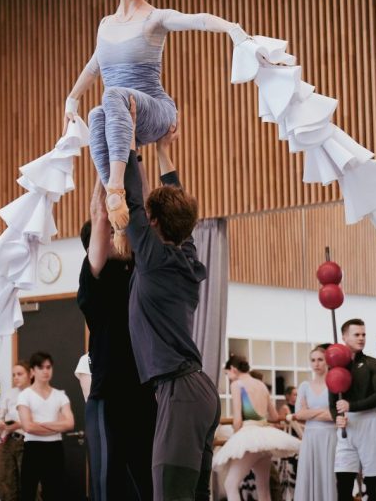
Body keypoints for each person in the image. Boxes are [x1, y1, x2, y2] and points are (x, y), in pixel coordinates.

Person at [62, 0, 250, 252]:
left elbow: (198, 19)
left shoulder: (155, 18)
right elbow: (95, 64)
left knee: (112, 97)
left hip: (157, 111)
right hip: (122, 114)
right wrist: (72, 100)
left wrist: (232, 29)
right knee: (97, 115)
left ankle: (115, 190)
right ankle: (118, 209)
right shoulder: (106, 25)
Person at [77, 116, 179, 500]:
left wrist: (132, 153)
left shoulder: (142, 268)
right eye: (112, 234)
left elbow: (142, 209)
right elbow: (101, 213)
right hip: (107, 398)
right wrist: (107, 157)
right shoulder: (96, 277)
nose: (122, 233)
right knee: (108, 489)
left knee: (148, 488)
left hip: (143, 395)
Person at [121, 108, 220, 501]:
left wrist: (129, 140)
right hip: (197, 391)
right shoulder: (186, 257)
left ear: (154, 222)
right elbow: (170, 209)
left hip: (181, 391)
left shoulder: (155, 258)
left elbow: (131, 200)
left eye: (149, 217)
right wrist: (162, 152)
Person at [213, 355, 300, 501]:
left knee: (230, 484)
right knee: (263, 488)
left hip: (249, 436)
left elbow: (238, 420)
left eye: (227, 374)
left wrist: (236, 435)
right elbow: (273, 416)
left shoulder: (237, 385)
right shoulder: (261, 385)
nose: (229, 378)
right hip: (264, 438)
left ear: (233, 369)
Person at [330, 319, 376, 501]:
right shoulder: (335, 368)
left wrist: (352, 406)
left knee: (373, 486)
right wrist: (337, 417)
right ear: (344, 337)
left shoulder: (374, 364)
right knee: (343, 483)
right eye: (356, 334)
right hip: (347, 427)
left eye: (363, 334)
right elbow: (333, 401)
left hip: (370, 424)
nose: (361, 338)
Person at [17, 351, 75, 501]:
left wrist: (41, 424)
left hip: (55, 449)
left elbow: (69, 423)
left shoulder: (60, 395)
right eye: (41, 367)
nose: (45, 371)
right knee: (28, 493)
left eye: (48, 367)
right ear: (32, 371)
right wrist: (57, 424)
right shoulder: (25, 395)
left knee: (54, 493)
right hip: (33, 448)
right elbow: (28, 427)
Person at [294, 346, 337, 501]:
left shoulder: (334, 385)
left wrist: (310, 412)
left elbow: (335, 414)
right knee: (309, 473)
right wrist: (323, 411)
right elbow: (299, 414)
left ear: (327, 361)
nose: (316, 363)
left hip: (330, 436)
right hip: (310, 437)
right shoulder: (305, 386)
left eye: (320, 359)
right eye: (313, 360)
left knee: (328, 474)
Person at [0, 362, 33, 501]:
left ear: (30, 374)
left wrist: (17, 425)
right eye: (13, 375)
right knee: (6, 481)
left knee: (28, 482)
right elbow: (0, 417)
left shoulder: (36, 394)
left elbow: (38, 422)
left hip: (27, 442)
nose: (16, 378)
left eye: (20, 374)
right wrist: (2, 425)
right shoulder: (9, 394)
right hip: (7, 442)